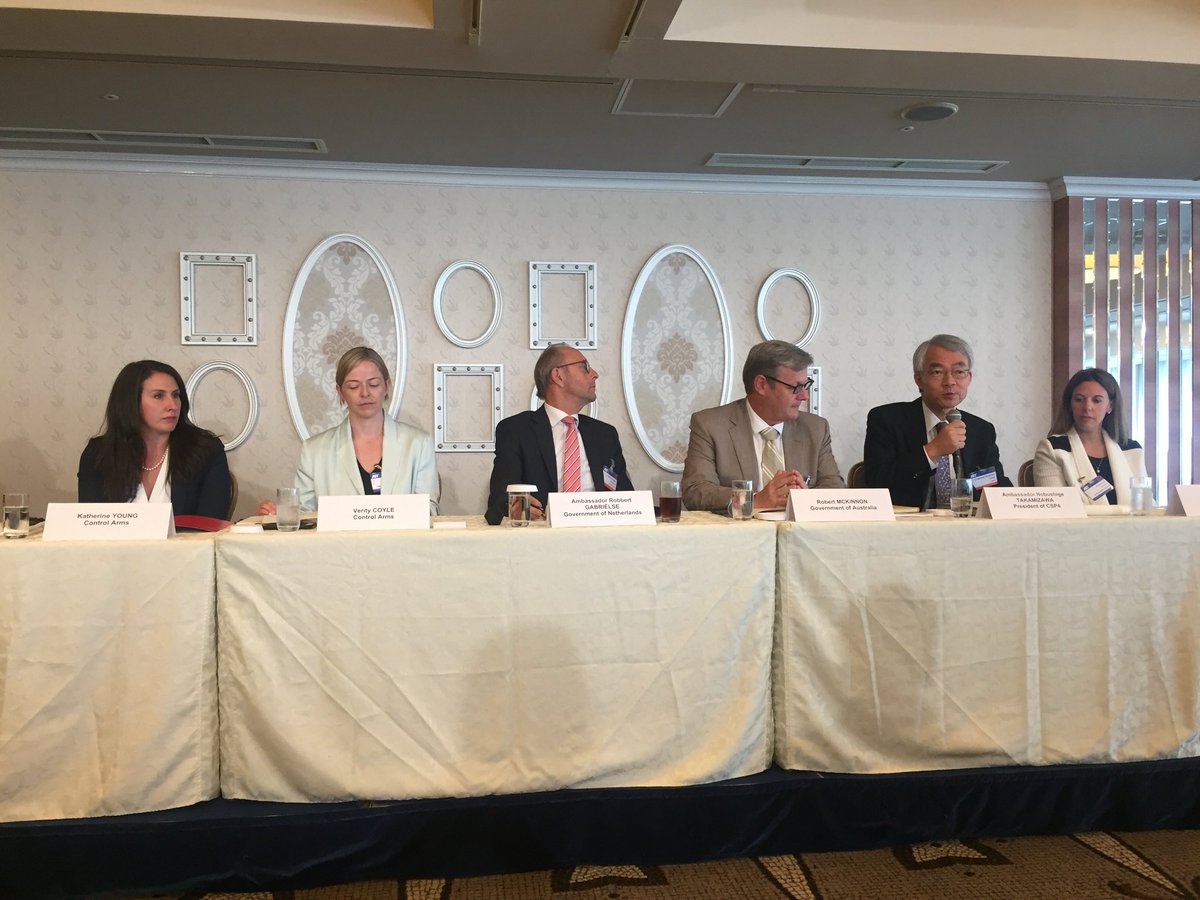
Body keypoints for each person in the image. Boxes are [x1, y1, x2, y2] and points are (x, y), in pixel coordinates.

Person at [256, 347, 439, 515]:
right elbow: (305, 515)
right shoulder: (314, 451)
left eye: (374, 384)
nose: (365, 393)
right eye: (353, 386)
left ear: (386, 386)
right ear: (340, 391)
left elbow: (429, 511)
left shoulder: (419, 444)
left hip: (402, 541)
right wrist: (278, 515)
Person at [681, 340, 844, 512]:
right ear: (761, 385)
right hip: (742, 529)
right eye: (795, 387)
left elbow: (835, 489)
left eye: (805, 385)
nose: (804, 396)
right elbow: (695, 491)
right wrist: (754, 500)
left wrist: (806, 500)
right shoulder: (710, 425)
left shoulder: (816, 429)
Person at [485, 343, 633, 524]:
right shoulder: (517, 430)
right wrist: (514, 508)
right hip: (543, 535)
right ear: (558, 376)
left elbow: (627, 498)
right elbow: (500, 499)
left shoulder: (605, 434)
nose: (595, 374)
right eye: (584, 367)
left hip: (601, 532)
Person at [863, 333, 1010, 509]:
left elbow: (994, 488)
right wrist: (933, 451)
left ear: (969, 378)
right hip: (910, 524)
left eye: (959, 372)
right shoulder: (887, 420)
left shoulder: (981, 430)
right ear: (919, 380)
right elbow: (877, 485)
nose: (950, 382)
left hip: (966, 523)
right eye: (937, 372)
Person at [78, 359, 232, 518]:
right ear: (130, 402)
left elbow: (211, 523)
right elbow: (90, 522)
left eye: (176, 395)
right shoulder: (98, 454)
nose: (172, 405)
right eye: (158, 396)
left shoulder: (206, 450)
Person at [1032, 367, 1145, 504]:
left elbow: (1144, 505)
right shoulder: (1053, 449)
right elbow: (1057, 509)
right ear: (1070, 404)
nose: (1087, 407)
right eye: (1079, 399)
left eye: (1096, 400)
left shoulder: (1131, 449)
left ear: (1110, 406)